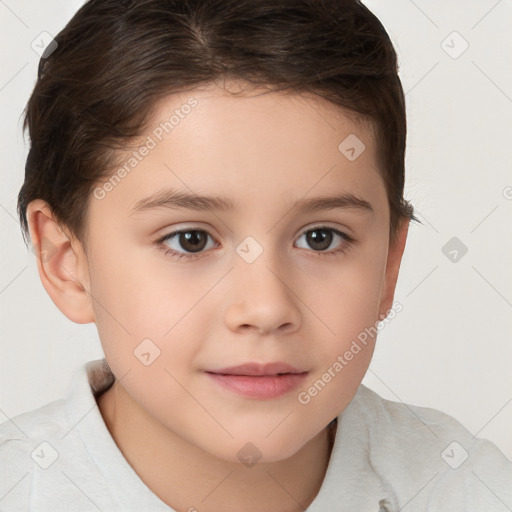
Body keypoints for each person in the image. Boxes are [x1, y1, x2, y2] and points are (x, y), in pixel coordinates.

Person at [1, 0, 511, 510]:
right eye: (190, 239)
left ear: (388, 264)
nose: (266, 308)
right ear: (66, 261)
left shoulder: (472, 489)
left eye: (321, 238)